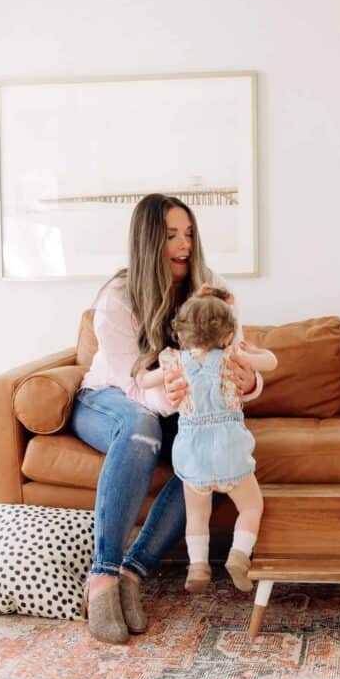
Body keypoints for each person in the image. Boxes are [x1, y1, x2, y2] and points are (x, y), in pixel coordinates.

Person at [70, 193, 263, 644]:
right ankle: (103, 577)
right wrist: (176, 392)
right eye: (171, 236)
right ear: (148, 241)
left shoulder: (208, 289)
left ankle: (134, 572)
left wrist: (248, 380)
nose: (184, 246)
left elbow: (240, 368)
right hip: (109, 397)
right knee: (142, 429)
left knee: (218, 459)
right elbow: (133, 386)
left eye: (190, 234)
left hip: (174, 403)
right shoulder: (116, 299)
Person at [135, 288, 277, 594]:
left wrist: (140, 377)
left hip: (193, 454)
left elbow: (144, 381)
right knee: (252, 506)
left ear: (182, 334)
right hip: (230, 453)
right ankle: (239, 555)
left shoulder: (174, 362)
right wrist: (251, 351)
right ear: (227, 335)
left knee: (197, 515)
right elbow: (271, 362)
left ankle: (197, 566)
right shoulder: (231, 356)